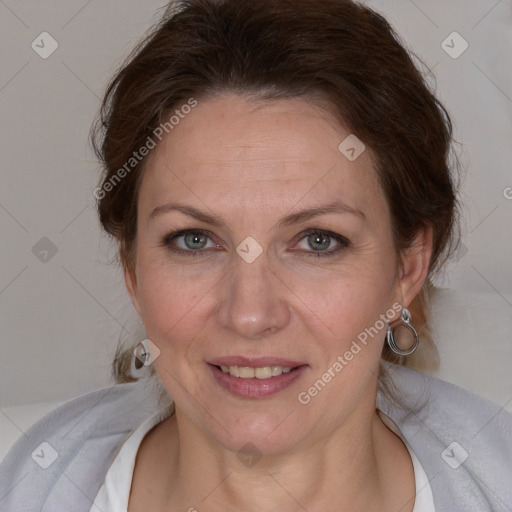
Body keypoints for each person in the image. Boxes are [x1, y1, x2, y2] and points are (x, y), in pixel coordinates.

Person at [1, 0, 511, 511]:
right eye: (194, 240)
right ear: (132, 267)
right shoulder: (26, 482)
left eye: (317, 240)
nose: (249, 314)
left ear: (407, 268)